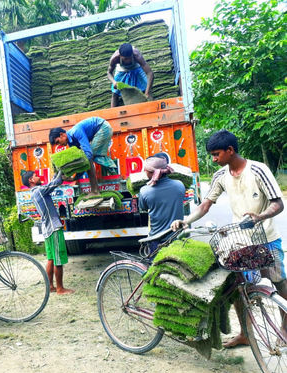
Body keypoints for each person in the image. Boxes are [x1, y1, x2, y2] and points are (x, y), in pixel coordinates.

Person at [171, 129, 287, 348]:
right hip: (239, 240)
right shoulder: (221, 175)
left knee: (280, 283)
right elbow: (206, 204)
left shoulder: (258, 170)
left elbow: (278, 203)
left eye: (217, 154)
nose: (214, 160)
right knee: (237, 286)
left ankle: (285, 329)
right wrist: (186, 221)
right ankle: (245, 333)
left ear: (230, 150)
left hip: (267, 238)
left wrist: (259, 216)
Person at [22, 170, 74, 295]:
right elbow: (54, 183)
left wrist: (56, 175)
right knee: (58, 259)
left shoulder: (35, 192)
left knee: (51, 259)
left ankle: (50, 286)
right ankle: (60, 288)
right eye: (35, 176)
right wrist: (61, 169)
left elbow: (51, 183)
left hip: (47, 229)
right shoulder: (39, 190)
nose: (38, 177)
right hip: (54, 228)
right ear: (31, 180)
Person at [49, 116, 117, 198]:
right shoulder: (71, 143)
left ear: (62, 135)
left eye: (58, 142)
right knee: (86, 158)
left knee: (89, 157)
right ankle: (110, 175)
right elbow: (80, 161)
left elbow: (88, 155)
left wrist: (75, 176)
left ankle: (95, 191)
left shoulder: (76, 132)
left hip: (103, 127)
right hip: (99, 129)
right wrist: (74, 178)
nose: (59, 145)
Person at [138, 156, 185, 254]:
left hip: (157, 238)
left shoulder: (144, 191)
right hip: (178, 236)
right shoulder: (180, 185)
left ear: (152, 173)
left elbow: (143, 208)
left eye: (145, 170)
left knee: (156, 267)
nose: (144, 171)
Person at [108, 43, 154, 107]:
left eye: (129, 58)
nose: (128, 61)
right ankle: (112, 112)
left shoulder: (137, 56)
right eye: (125, 59)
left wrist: (147, 92)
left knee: (146, 87)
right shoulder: (114, 58)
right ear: (120, 56)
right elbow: (109, 73)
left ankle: (152, 107)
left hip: (136, 67)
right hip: (121, 69)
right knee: (115, 93)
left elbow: (150, 73)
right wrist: (114, 82)